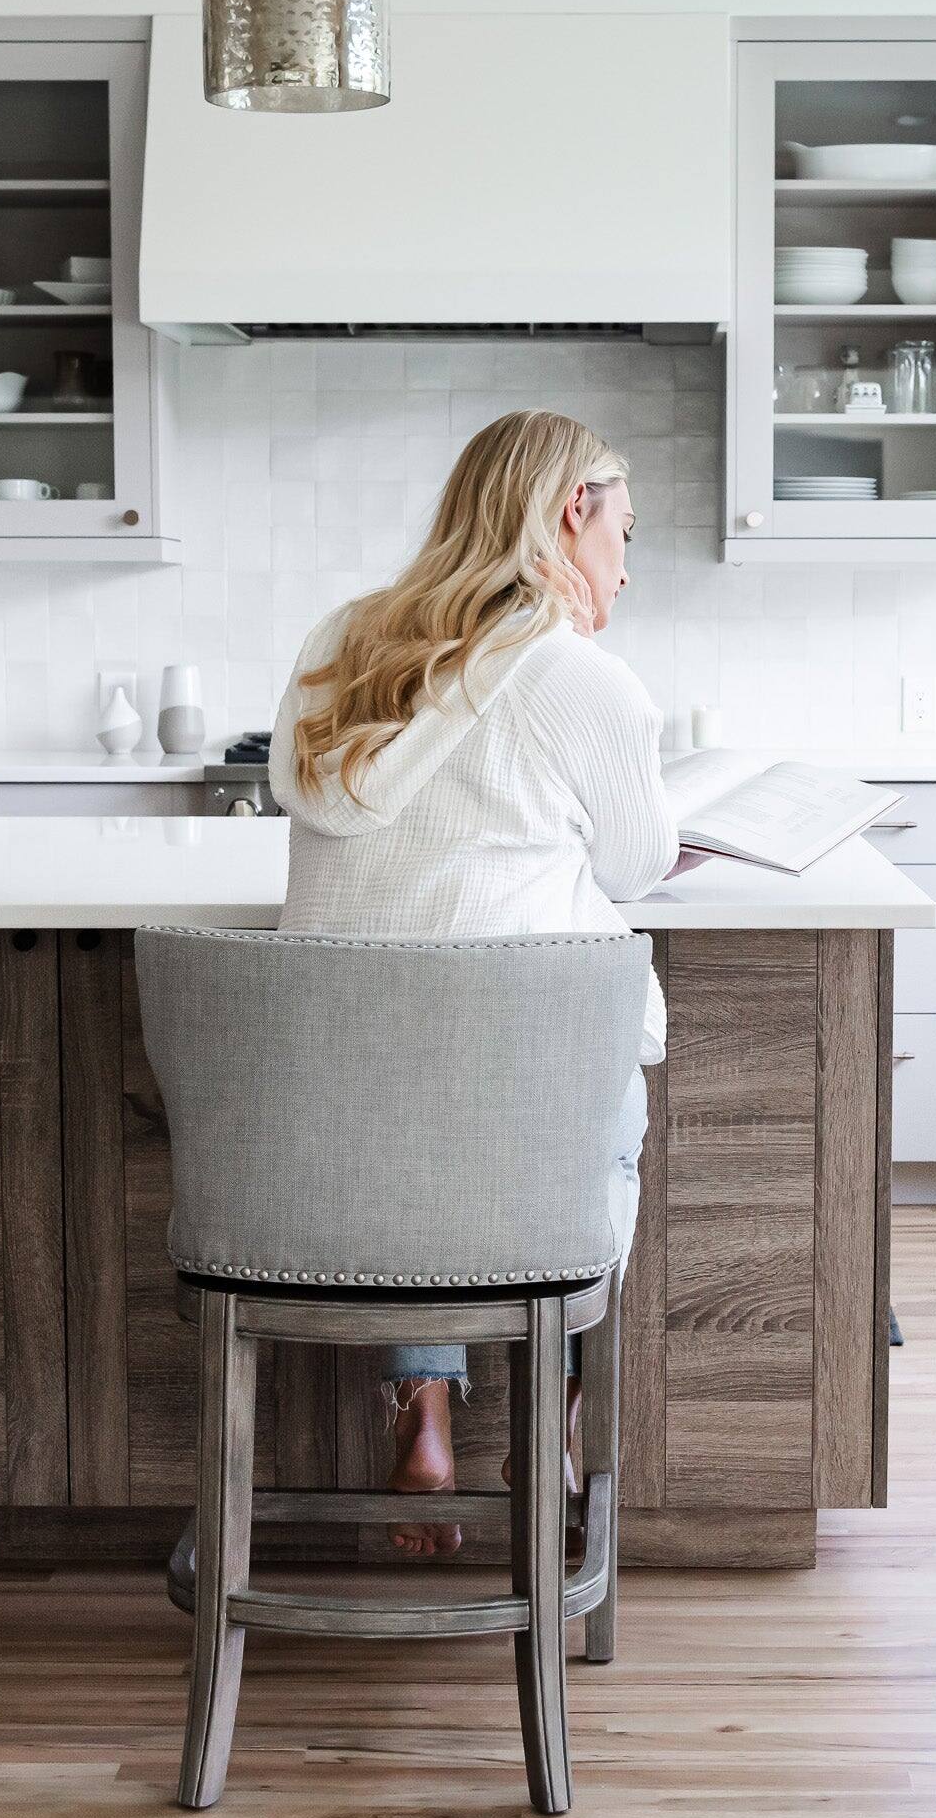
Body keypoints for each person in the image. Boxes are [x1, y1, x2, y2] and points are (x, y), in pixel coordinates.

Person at [267, 407, 677, 1557]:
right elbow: (638, 862)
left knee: (408, 1122)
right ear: (566, 516)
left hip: (320, 1121)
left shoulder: (335, 640)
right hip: (508, 1110)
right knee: (578, 1102)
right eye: (622, 534)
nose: (626, 568)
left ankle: (423, 1406)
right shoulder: (582, 678)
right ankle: (551, 1407)